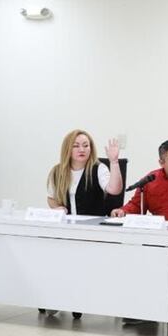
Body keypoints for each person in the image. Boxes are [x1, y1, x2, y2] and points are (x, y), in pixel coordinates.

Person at [43, 129, 123, 319]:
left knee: (76, 260)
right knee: (54, 257)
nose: (82, 149)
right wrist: (57, 208)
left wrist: (114, 162)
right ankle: (57, 297)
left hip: (91, 230)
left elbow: (114, 189)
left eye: (86, 145)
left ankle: (74, 299)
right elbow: (51, 198)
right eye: (76, 146)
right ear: (67, 149)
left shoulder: (98, 169)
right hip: (66, 229)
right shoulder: (57, 171)